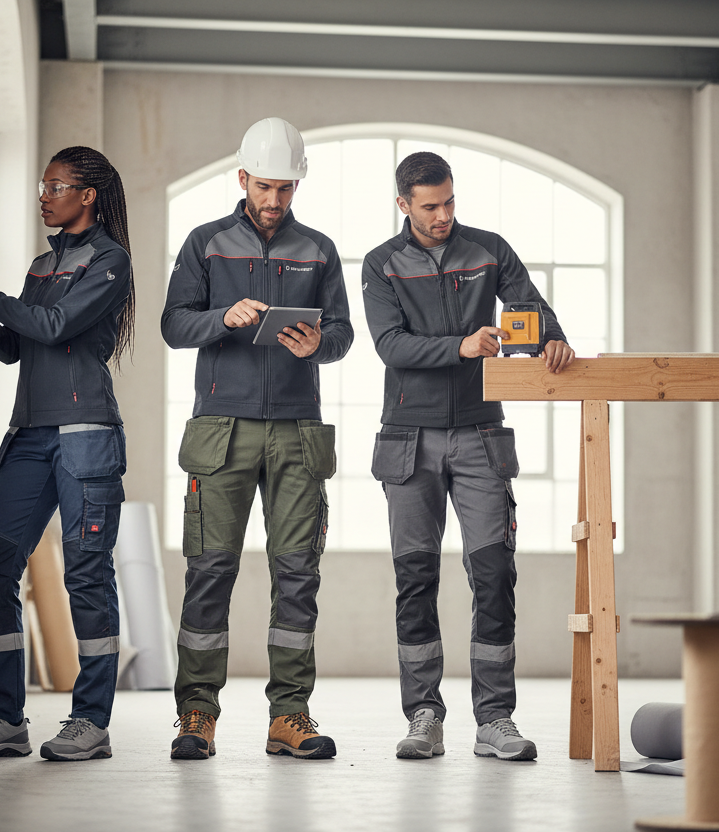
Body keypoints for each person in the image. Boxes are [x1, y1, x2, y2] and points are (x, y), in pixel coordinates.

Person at [361, 151, 575, 762]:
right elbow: (389, 345)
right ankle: (424, 714)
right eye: (430, 206)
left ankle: (495, 718)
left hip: (482, 436)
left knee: (495, 576)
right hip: (408, 440)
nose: (443, 216)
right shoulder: (381, 264)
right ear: (403, 204)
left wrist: (551, 339)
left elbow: (529, 307)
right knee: (416, 580)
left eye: (450, 201)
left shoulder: (489, 250)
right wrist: (462, 345)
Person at [161, 117, 353, 761]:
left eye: (287, 189)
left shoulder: (320, 251)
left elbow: (345, 335)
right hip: (222, 431)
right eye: (266, 187)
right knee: (210, 572)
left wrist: (318, 343)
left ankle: (289, 716)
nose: (275, 201)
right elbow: (173, 324)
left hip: (298, 432)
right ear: (242, 178)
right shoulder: (205, 244)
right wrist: (223, 317)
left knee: (297, 575)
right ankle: (196, 714)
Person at [0, 146, 135, 763]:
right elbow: (15, 347)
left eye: (56, 185)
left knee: (86, 576)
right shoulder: (43, 263)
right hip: (30, 436)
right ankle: (5, 717)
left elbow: (52, 326)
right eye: (42, 185)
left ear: (88, 196)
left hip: (86, 437)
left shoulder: (109, 262)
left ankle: (90, 721)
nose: (43, 195)